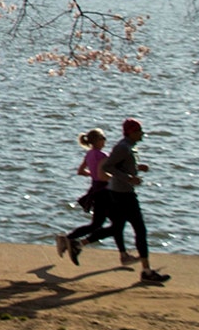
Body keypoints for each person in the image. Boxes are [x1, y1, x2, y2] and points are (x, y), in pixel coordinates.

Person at [71, 118, 170, 283]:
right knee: (140, 230)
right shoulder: (123, 147)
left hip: (120, 193)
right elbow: (107, 166)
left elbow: (120, 166)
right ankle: (146, 271)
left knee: (116, 228)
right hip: (122, 194)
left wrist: (138, 168)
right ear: (131, 132)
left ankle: (79, 244)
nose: (143, 134)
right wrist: (129, 179)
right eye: (140, 131)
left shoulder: (128, 147)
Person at [56, 128, 132, 264]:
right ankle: (123, 255)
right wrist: (116, 178)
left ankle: (68, 239)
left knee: (98, 224)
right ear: (97, 141)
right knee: (116, 224)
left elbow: (81, 171)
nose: (105, 141)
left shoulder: (89, 154)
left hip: (95, 190)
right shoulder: (103, 155)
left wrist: (93, 174)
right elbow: (104, 176)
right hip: (105, 191)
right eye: (103, 138)